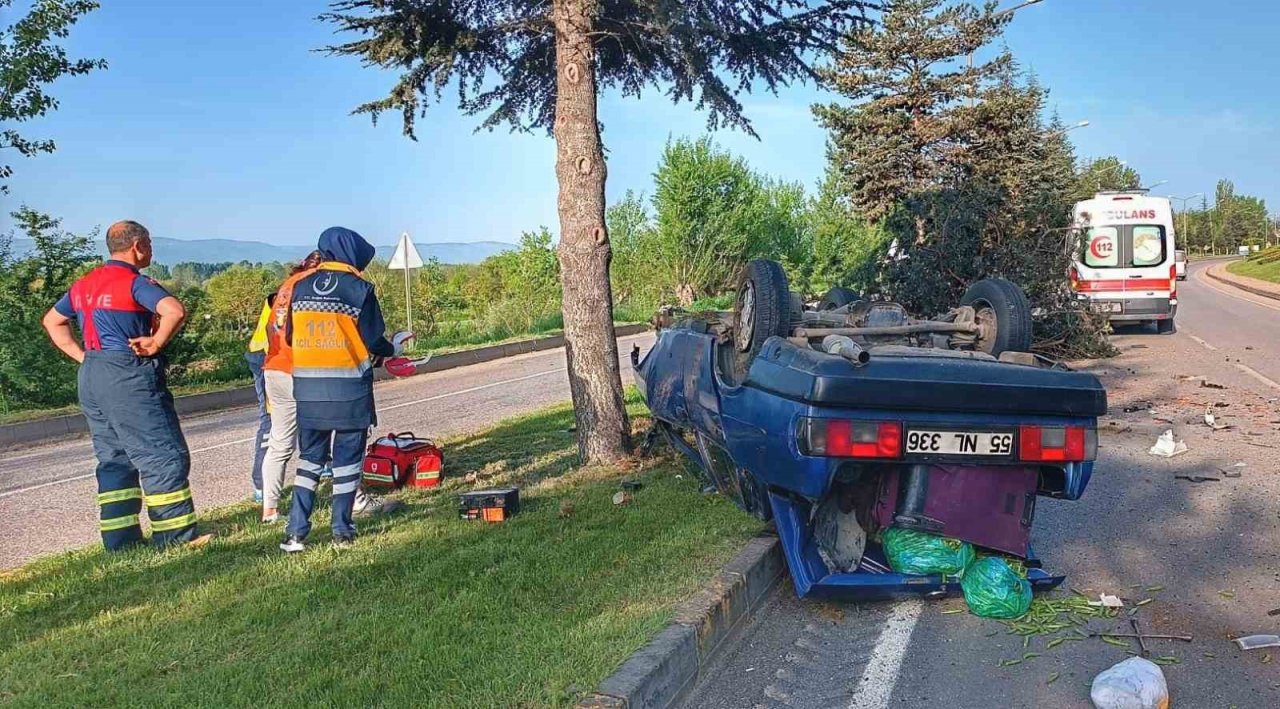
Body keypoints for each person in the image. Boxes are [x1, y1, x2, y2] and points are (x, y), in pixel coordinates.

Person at [41, 220, 211, 551]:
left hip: (93, 373)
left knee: (114, 457)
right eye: (149, 243)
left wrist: (83, 357)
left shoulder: (84, 284)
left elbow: (53, 321)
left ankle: (121, 541)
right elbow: (174, 309)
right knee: (161, 454)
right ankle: (175, 537)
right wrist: (156, 342)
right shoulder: (134, 283)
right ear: (138, 246)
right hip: (128, 374)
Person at [279, 227, 406, 551]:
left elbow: (290, 336)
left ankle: (295, 533)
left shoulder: (301, 287)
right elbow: (373, 339)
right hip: (348, 389)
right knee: (347, 462)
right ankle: (341, 531)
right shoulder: (359, 289)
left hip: (308, 390)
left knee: (309, 461)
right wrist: (393, 348)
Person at [257, 250, 323, 523]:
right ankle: (352, 498)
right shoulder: (315, 289)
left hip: (275, 368)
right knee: (330, 434)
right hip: (301, 370)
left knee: (280, 443)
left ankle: (269, 509)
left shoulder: (286, 287)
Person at [245, 295, 273, 503]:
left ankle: (324, 463)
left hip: (266, 352)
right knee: (271, 420)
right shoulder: (293, 291)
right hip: (267, 355)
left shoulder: (293, 286)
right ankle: (261, 485)